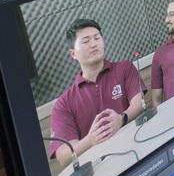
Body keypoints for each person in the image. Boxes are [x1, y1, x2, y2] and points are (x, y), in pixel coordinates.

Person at [49, 19, 146, 166]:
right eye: (86, 41)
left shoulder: (125, 68)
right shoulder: (64, 103)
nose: (94, 44)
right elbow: (63, 156)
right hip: (99, 168)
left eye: (97, 38)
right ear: (73, 54)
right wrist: (90, 140)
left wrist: (122, 119)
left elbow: (140, 101)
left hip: (138, 151)